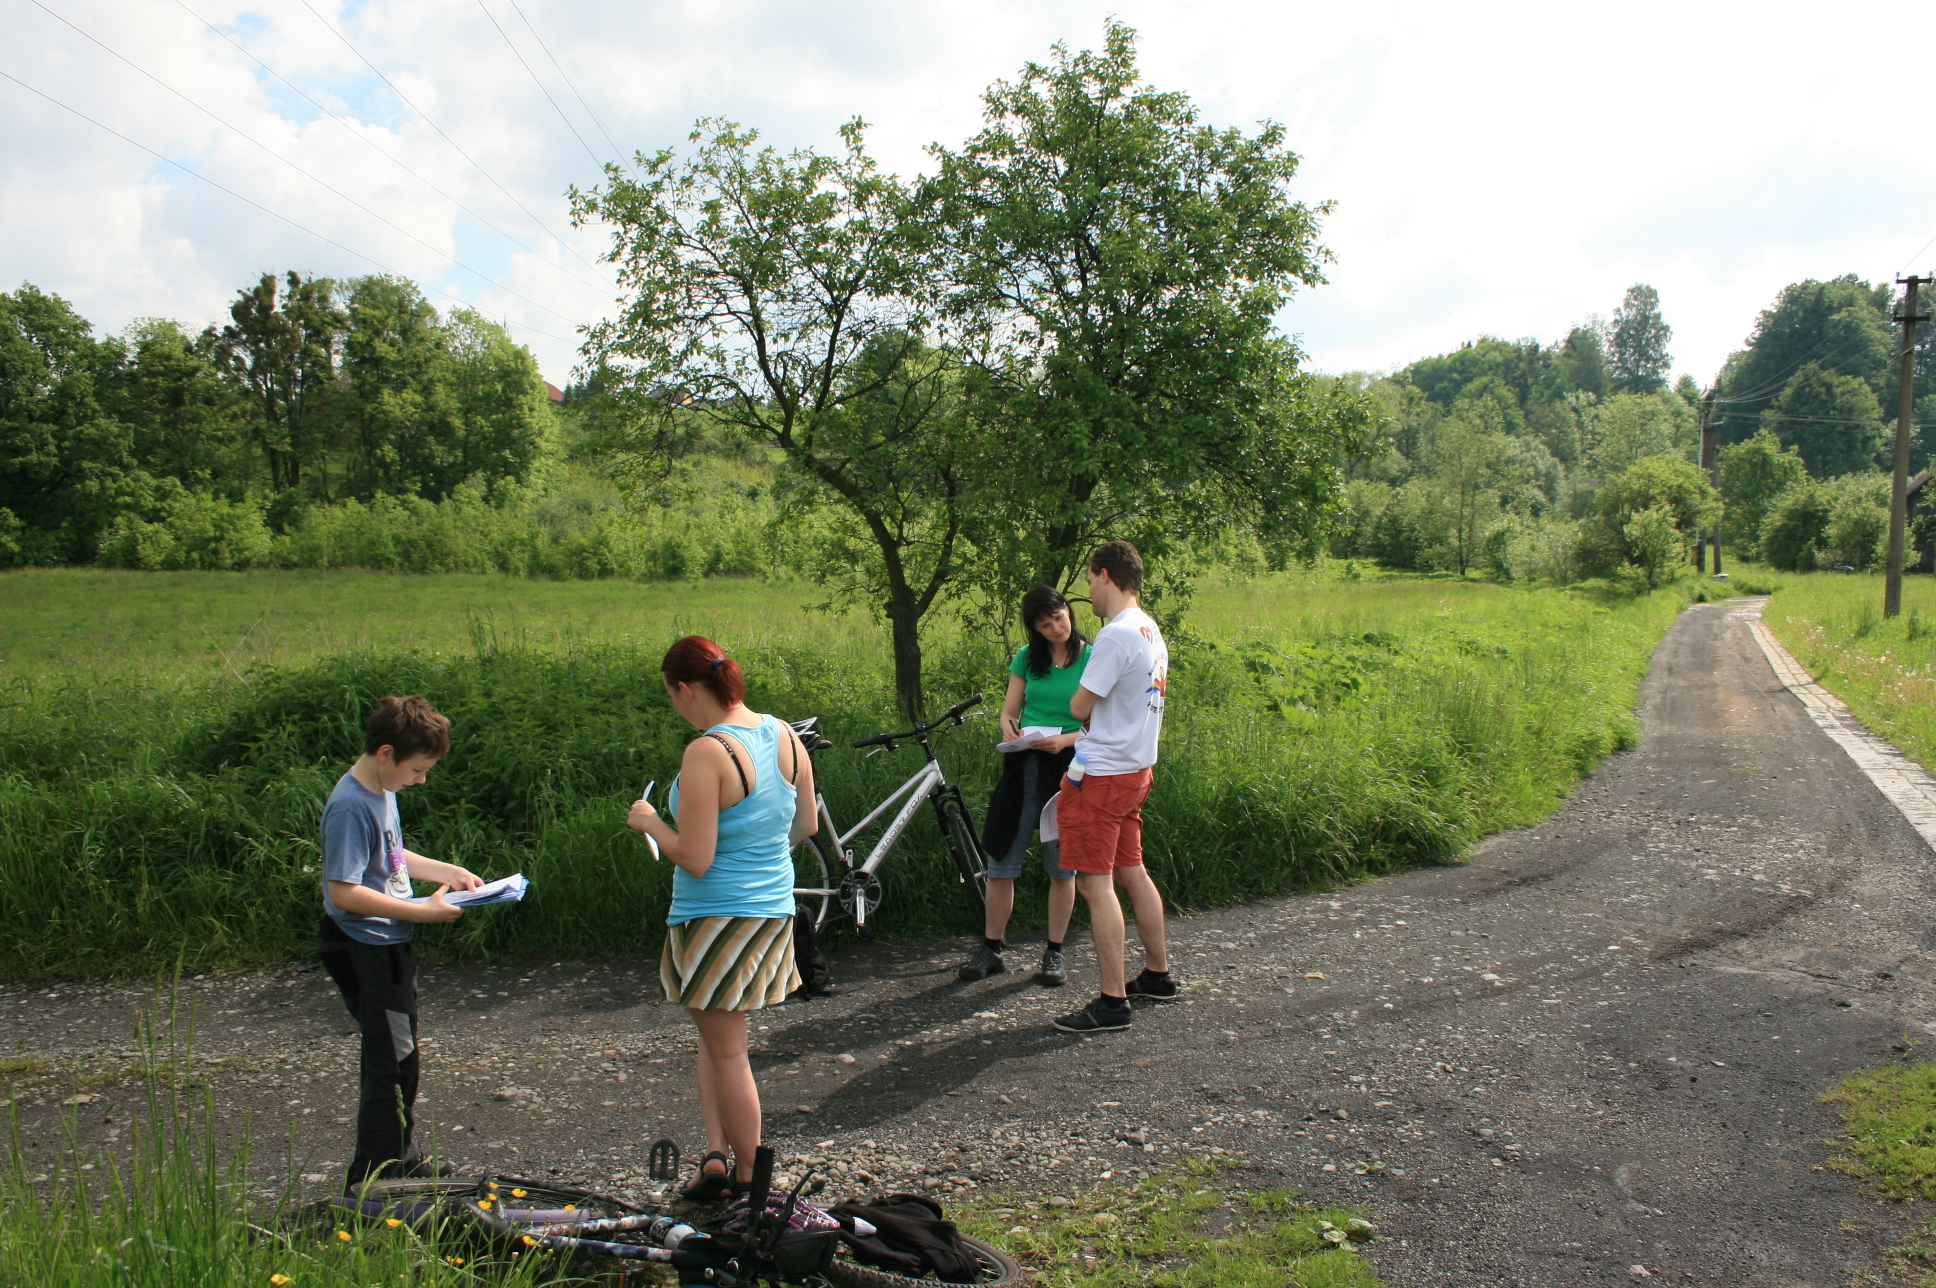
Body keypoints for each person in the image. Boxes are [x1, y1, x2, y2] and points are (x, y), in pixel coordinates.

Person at [628, 636, 817, 1201]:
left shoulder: (707, 752)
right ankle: (716, 1155)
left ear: (687, 689)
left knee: (730, 1053)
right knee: (715, 1042)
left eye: (672, 697)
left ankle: (749, 1185)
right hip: (771, 910)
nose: (675, 707)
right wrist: (759, 855)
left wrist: (649, 822)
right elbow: (805, 823)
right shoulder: (784, 734)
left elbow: (695, 856)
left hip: (714, 919)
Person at [318, 694, 483, 1191]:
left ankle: (400, 1157)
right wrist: (422, 912)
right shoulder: (350, 805)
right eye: (417, 769)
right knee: (391, 1061)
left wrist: (446, 872)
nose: (421, 780)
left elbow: (392, 854)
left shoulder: (379, 790)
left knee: (400, 1054)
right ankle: (372, 1178)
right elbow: (342, 890)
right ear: (386, 753)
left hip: (387, 940)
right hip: (363, 946)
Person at [1051, 540, 1177, 1034]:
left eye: (1088, 579)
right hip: (1136, 770)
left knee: (1094, 884)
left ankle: (1112, 1002)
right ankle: (1158, 976)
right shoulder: (1150, 628)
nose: (1087, 590)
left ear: (1104, 575)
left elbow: (1080, 707)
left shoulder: (1116, 635)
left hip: (1102, 777)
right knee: (1132, 870)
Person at [957, 585, 1089, 986]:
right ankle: (992, 947)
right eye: (1045, 624)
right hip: (1025, 765)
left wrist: (1065, 740)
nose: (1056, 628)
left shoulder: (1094, 656)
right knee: (1001, 860)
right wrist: (1008, 726)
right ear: (1034, 628)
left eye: (1059, 618)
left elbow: (1101, 724)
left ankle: (1054, 952)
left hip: (1070, 767)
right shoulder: (1027, 658)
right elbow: (1009, 710)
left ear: (1069, 610)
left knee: (1062, 867)